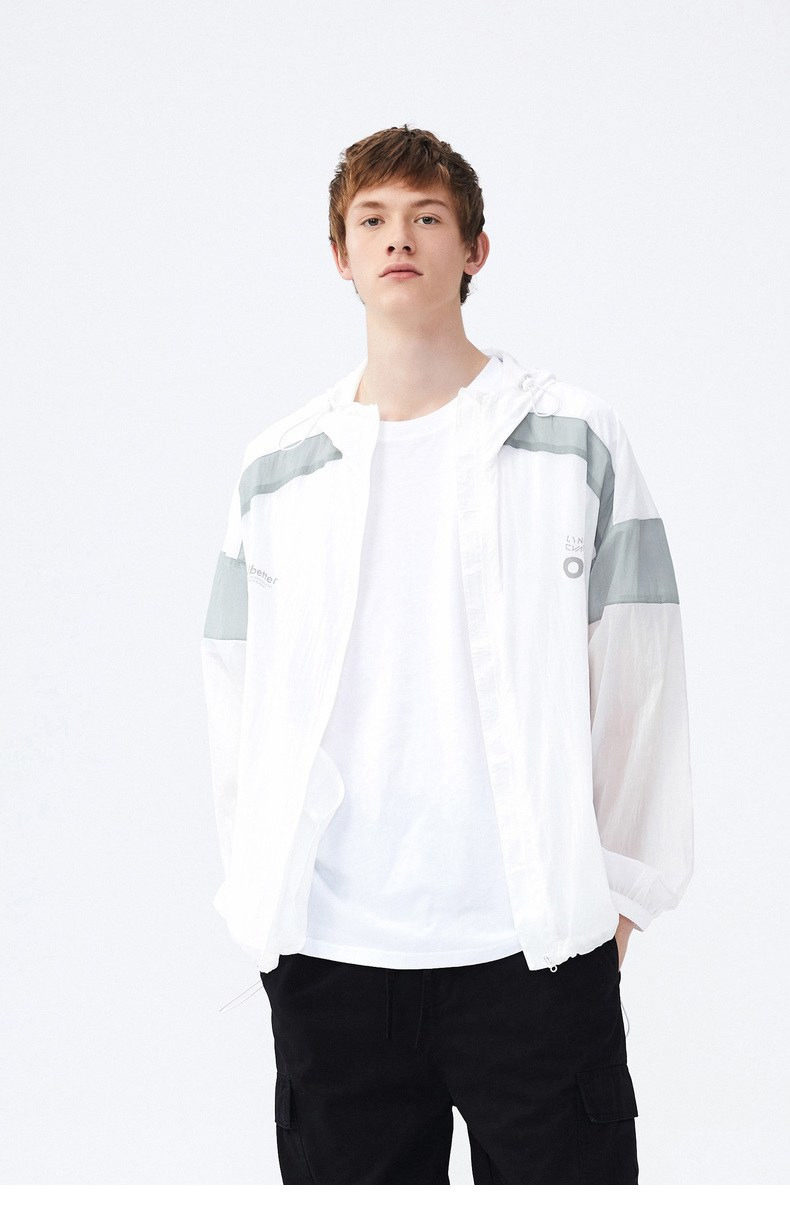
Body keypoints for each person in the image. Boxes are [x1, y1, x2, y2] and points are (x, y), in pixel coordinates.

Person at [200, 124, 694, 1184]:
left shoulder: (574, 438)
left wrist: (618, 896)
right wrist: (262, 894)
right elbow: (239, 693)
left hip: (536, 949)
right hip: (334, 958)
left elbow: (641, 665)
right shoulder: (278, 470)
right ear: (340, 254)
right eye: (372, 219)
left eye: (427, 217)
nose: (399, 238)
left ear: (474, 248)